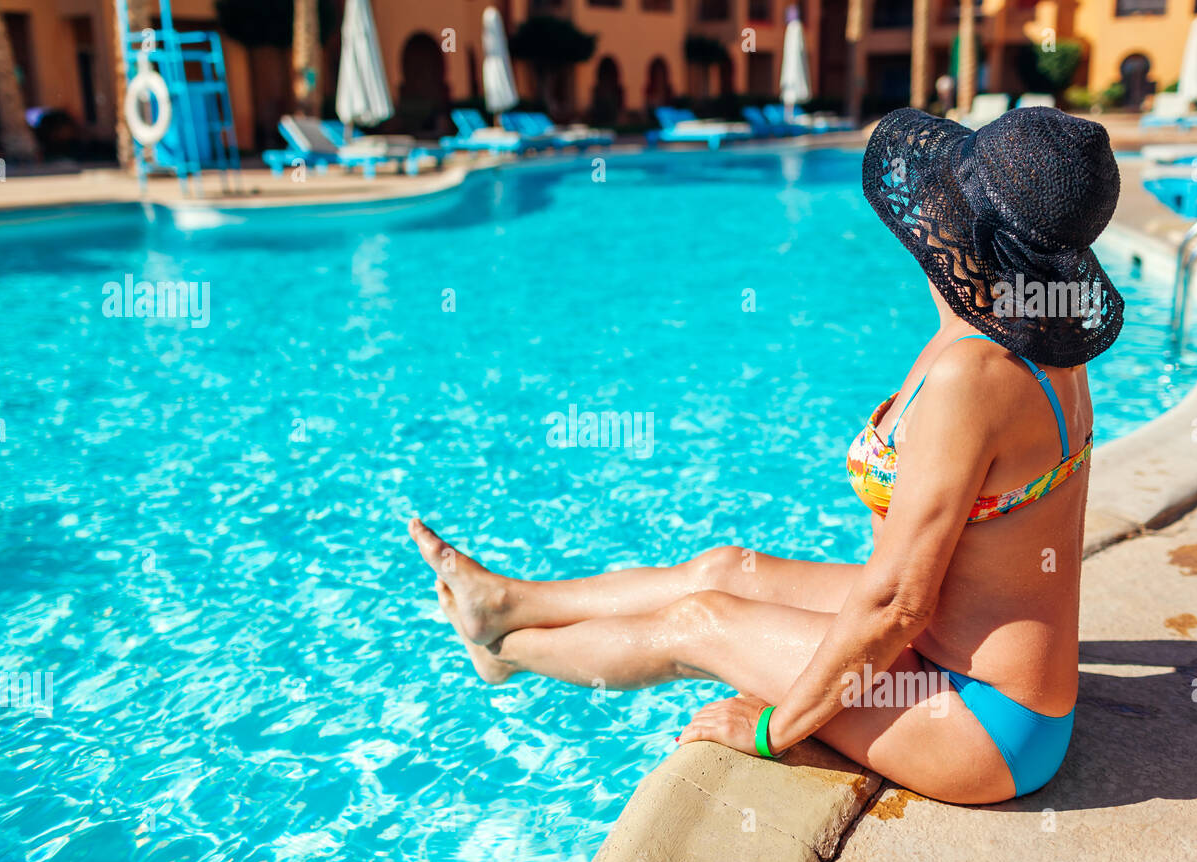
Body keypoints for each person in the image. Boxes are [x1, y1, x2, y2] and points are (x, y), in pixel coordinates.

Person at [411, 106, 1125, 804]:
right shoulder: (1032, 333)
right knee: (722, 569)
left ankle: (502, 650)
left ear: (963, 229)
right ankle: (507, 603)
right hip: (963, 656)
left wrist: (773, 729)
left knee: (700, 623)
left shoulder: (975, 378)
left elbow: (895, 606)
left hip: (987, 723)